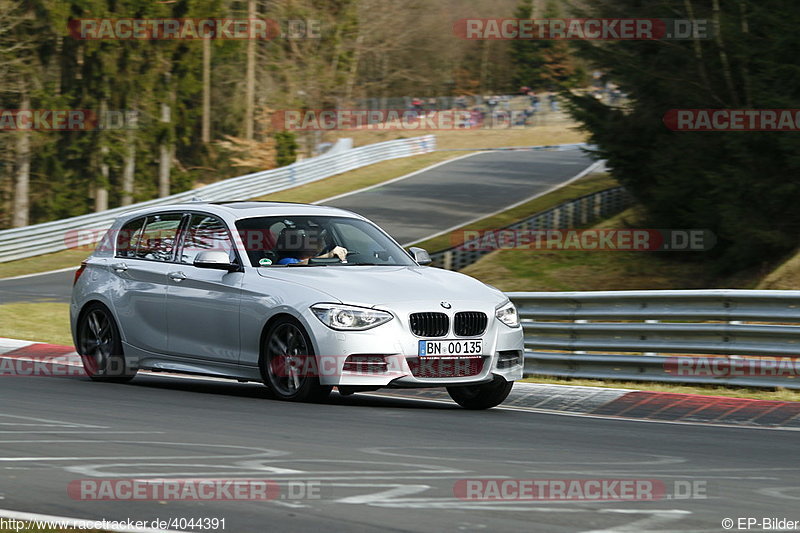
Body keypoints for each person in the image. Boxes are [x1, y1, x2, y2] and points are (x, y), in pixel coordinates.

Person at [274, 227, 348, 265]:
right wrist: (328, 255)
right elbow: (299, 266)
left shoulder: (324, 252)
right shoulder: (286, 260)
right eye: (313, 241)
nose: (319, 244)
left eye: (320, 241)